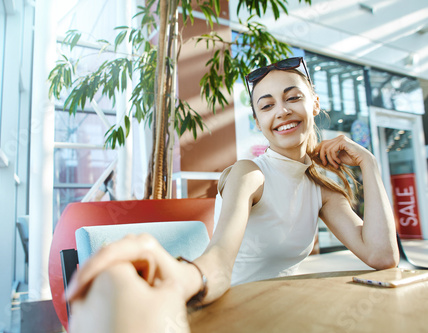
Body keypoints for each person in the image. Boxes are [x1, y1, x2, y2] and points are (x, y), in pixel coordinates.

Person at [65, 57, 399, 332]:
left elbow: (381, 256)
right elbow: (220, 259)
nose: (281, 111)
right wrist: (181, 279)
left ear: (314, 103)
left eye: (292, 97)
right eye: (266, 106)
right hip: (236, 313)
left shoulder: (321, 189)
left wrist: (368, 163)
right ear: (258, 121)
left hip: (286, 312)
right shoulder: (249, 174)